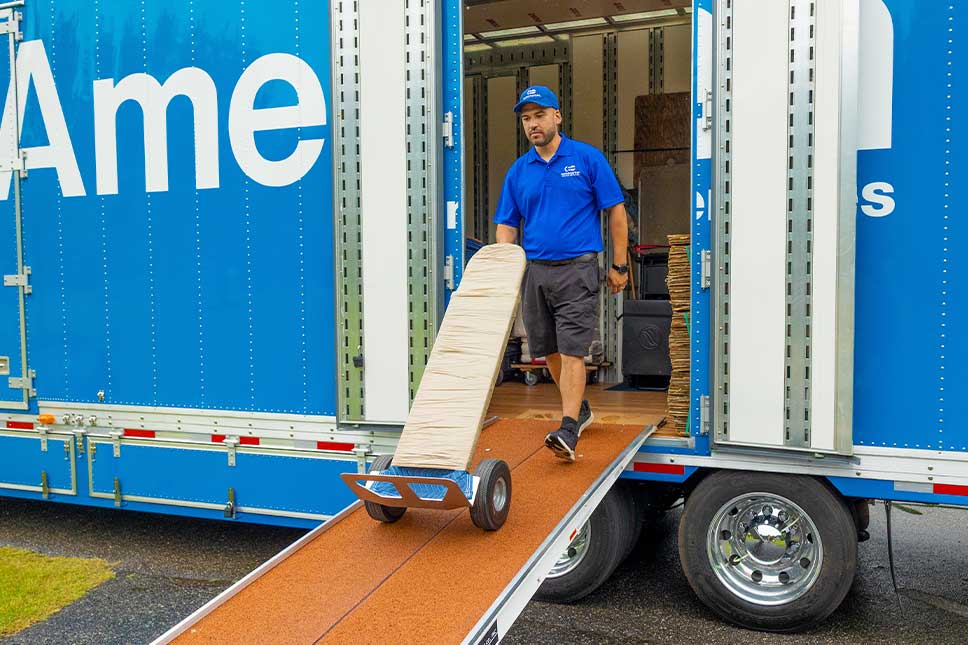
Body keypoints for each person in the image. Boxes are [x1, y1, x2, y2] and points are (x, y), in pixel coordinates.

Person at [493, 85, 629, 461]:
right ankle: (579, 409)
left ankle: (568, 428)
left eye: (539, 115)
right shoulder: (519, 171)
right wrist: (505, 267)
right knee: (547, 351)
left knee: (572, 351)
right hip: (535, 271)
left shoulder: (586, 159)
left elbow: (615, 211)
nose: (532, 124)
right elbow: (506, 224)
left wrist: (620, 265)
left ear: (557, 116)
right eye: (525, 118)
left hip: (578, 269)